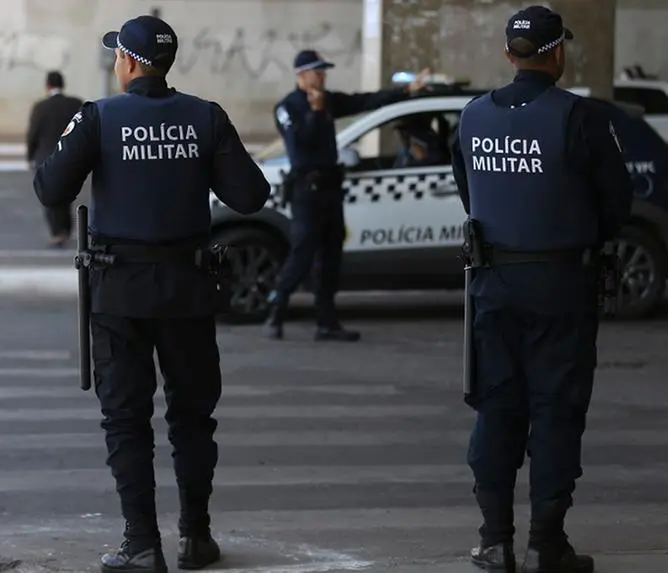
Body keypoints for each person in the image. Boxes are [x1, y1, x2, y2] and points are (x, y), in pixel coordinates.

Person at [33, 14, 270, 573]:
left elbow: (49, 187)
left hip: (118, 294)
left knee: (126, 419)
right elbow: (251, 196)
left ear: (131, 62)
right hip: (188, 290)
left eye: (118, 54)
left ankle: (141, 543)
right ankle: (196, 537)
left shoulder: (98, 116)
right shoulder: (205, 117)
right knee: (192, 419)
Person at [450, 6, 632, 573]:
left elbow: (468, 191)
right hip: (560, 284)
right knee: (555, 409)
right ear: (557, 53)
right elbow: (616, 204)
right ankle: (545, 544)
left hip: (492, 283)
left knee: (496, 406)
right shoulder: (580, 117)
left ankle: (495, 540)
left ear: (510, 55)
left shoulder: (472, 116)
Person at [264, 50, 430, 342]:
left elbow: (365, 101)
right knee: (303, 253)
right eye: (317, 72)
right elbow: (299, 142)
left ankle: (326, 322)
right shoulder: (287, 107)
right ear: (301, 75)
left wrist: (405, 91)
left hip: (330, 190)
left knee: (331, 257)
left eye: (324, 71)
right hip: (306, 191)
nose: (322, 76)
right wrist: (315, 112)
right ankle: (276, 310)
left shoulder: (328, 101)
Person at [26, 70, 83, 246]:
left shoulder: (40, 107)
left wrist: (30, 156)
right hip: (71, 155)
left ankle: (58, 231)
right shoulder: (75, 104)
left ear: (48, 85)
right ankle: (66, 228)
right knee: (66, 194)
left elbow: (33, 135)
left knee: (50, 196)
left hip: (46, 156)